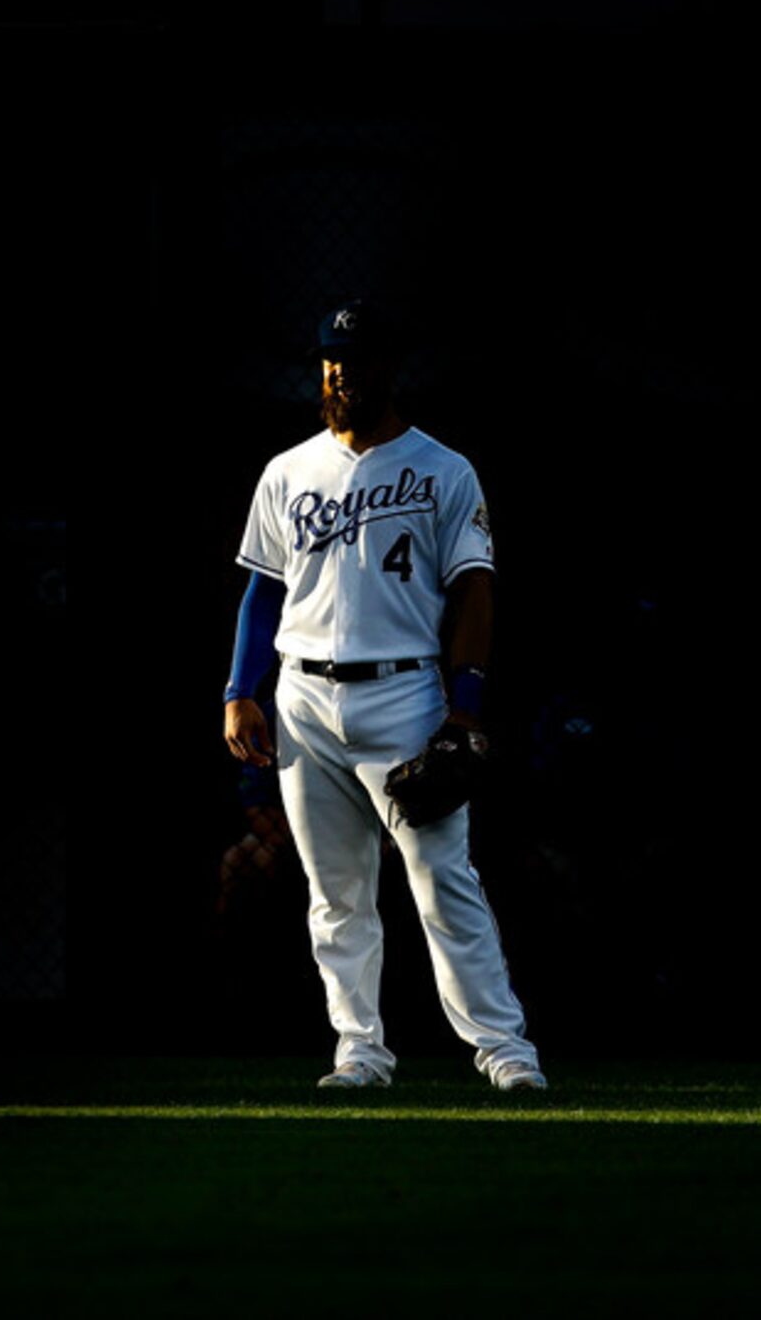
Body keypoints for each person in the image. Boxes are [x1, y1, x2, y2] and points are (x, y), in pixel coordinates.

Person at [224, 298, 548, 1092]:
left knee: (442, 880)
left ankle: (506, 1052)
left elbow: (475, 590)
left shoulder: (442, 468)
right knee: (335, 894)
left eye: (356, 360)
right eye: (332, 360)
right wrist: (241, 689)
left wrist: (464, 705)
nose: (340, 374)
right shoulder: (288, 470)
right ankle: (360, 1053)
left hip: (406, 695)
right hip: (302, 696)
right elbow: (263, 592)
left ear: (387, 369)